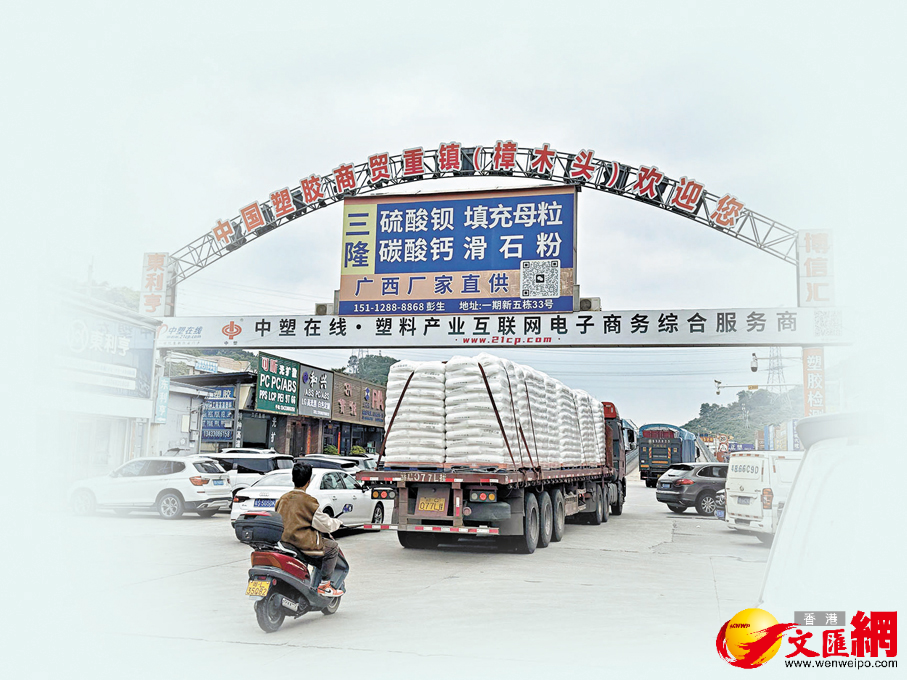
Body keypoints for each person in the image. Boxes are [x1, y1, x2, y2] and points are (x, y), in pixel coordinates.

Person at [275, 462, 344, 597]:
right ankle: (324, 585)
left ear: (293, 478)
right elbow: (325, 525)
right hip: (302, 545)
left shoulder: (282, 499)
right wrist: (337, 523)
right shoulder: (309, 501)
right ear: (309, 481)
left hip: (284, 542)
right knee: (333, 547)